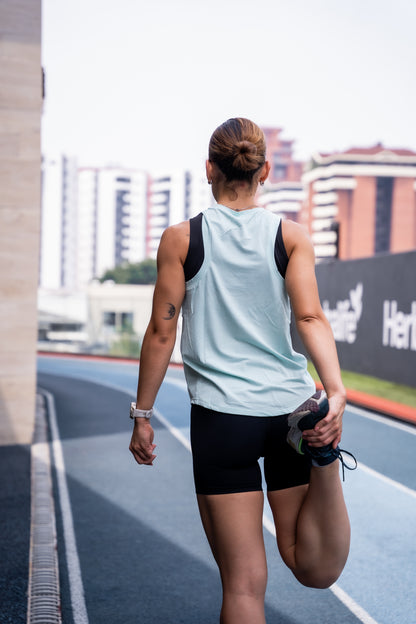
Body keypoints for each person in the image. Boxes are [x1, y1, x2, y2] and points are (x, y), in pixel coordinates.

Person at [129, 117, 355, 624]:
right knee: (310, 566)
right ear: (266, 172)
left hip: (221, 421)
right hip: (290, 413)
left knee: (245, 587)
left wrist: (142, 413)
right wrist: (335, 392)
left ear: (208, 169)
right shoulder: (290, 236)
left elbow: (161, 332)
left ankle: (321, 459)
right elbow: (310, 316)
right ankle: (324, 459)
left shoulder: (180, 239)